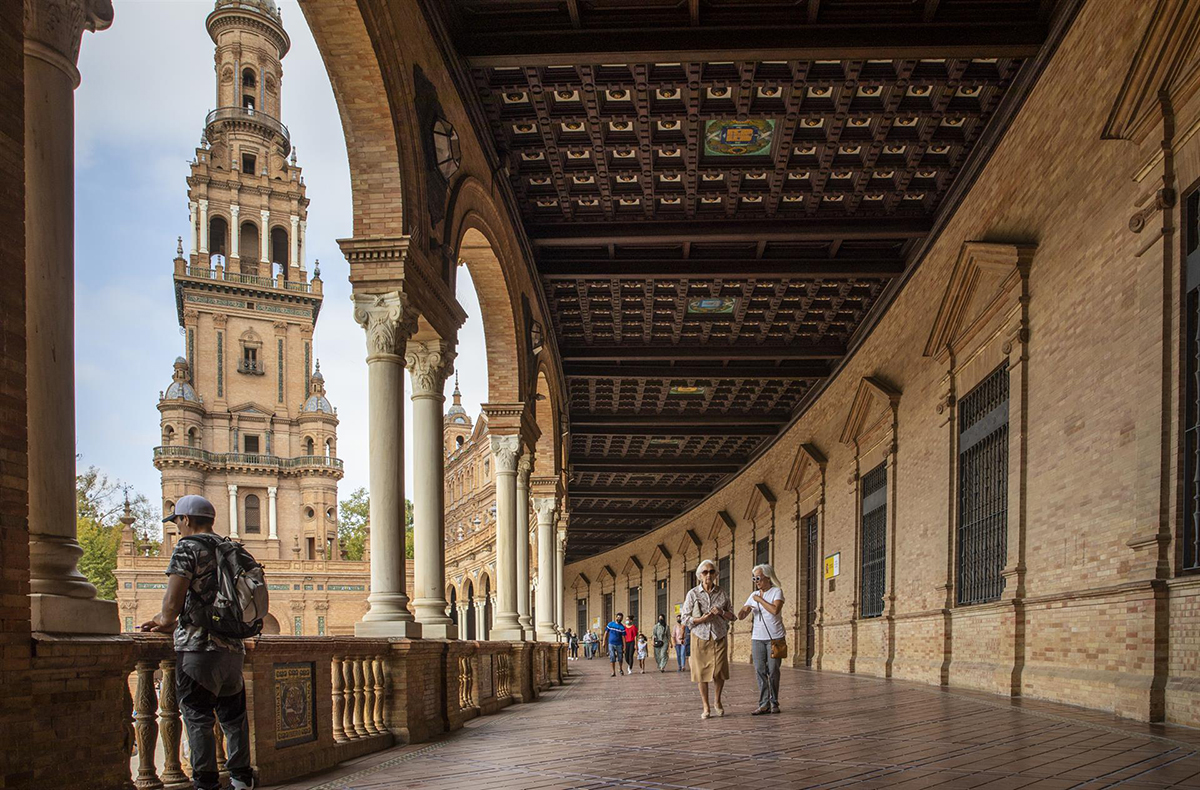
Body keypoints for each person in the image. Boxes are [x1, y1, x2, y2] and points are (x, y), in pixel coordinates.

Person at [141, 495, 256, 790]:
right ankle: (242, 780)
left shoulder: (187, 548)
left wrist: (161, 621)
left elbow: (171, 607)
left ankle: (206, 784)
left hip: (198, 648)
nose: (177, 527)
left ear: (187, 520)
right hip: (234, 648)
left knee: (198, 717)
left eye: (177, 521)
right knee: (233, 718)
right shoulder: (233, 548)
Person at [680, 558, 736, 720]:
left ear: (716, 574)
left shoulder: (722, 593)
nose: (708, 575)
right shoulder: (693, 594)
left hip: (719, 636)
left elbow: (733, 616)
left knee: (719, 671)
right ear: (699, 575)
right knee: (701, 673)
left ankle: (717, 701)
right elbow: (684, 618)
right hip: (700, 636)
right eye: (705, 572)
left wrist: (721, 612)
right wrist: (700, 620)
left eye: (711, 572)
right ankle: (705, 706)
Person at [738, 563, 786, 715]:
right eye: (754, 578)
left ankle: (774, 702)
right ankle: (764, 703)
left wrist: (759, 600)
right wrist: (743, 611)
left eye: (758, 578)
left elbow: (775, 610)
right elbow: (741, 615)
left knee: (773, 671)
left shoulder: (776, 592)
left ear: (768, 577)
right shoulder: (753, 595)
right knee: (759, 670)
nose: (756, 581)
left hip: (776, 638)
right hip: (757, 638)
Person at [605, 613, 627, 677]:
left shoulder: (622, 627)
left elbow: (623, 637)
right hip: (611, 643)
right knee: (612, 657)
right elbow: (606, 633)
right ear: (616, 617)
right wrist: (604, 641)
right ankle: (613, 671)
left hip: (619, 644)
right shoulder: (610, 624)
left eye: (621, 618)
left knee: (620, 658)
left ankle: (620, 668)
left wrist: (624, 646)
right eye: (618, 617)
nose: (619, 619)